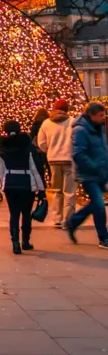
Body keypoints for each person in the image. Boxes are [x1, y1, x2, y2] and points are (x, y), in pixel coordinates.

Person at [65, 101, 108, 249]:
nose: (104, 117)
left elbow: (103, 148)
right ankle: (104, 238)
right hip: (88, 174)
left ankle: (72, 222)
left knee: (96, 204)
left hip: (101, 172)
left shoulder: (99, 127)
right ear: (91, 115)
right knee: (100, 205)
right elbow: (78, 154)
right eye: (101, 115)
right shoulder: (80, 130)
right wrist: (94, 166)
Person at [0, 120, 45, 254]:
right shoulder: (27, 146)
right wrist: (41, 188)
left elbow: (1, 170)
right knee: (26, 213)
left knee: (14, 214)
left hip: (10, 182)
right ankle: (25, 241)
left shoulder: (2, 147)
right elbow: (35, 168)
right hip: (26, 181)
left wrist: (3, 184)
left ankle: (15, 243)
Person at [37, 99, 75, 228]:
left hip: (53, 159)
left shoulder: (46, 123)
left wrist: (49, 150)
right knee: (69, 191)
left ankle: (57, 218)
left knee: (56, 190)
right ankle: (68, 220)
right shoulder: (72, 122)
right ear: (67, 109)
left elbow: (41, 143)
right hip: (69, 159)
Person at [30, 107, 50, 184]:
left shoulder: (35, 124)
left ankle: (42, 185)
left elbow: (32, 136)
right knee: (50, 169)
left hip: (38, 150)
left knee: (40, 169)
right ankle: (51, 182)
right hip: (48, 149)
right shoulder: (49, 124)